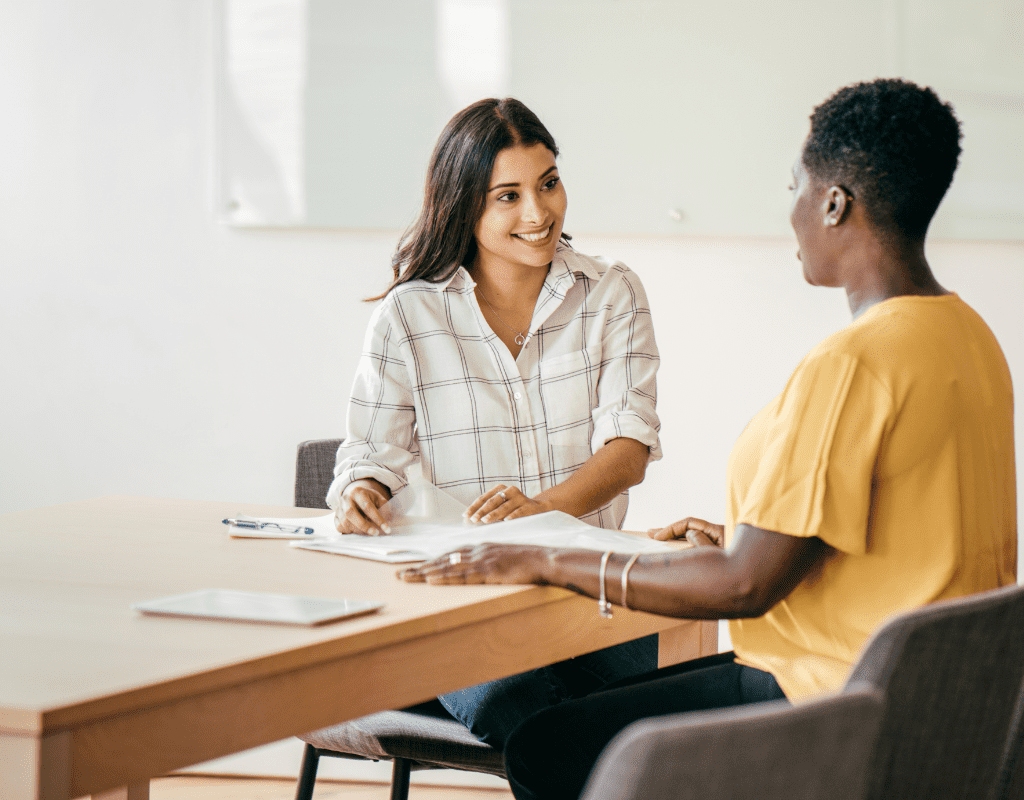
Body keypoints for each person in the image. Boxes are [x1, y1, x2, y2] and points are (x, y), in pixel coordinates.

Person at [399, 78, 1018, 800]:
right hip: (940, 707)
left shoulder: (851, 366)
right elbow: (901, 541)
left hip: (828, 700)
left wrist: (544, 555)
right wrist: (742, 538)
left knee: (546, 746)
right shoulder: (968, 337)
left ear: (834, 203)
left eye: (797, 187)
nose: (791, 211)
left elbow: (746, 586)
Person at [326, 98, 664, 747]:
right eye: (507, 196)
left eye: (548, 183)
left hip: (591, 603)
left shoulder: (611, 292)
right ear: (464, 205)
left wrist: (535, 515)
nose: (538, 213)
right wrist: (361, 492)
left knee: (673, 703)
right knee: (531, 713)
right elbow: (368, 453)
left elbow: (628, 447)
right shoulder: (409, 316)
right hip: (461, 612)